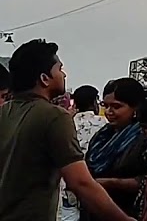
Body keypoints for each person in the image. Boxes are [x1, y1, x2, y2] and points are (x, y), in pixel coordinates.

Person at [0, 39, 135, 221]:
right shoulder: (54, 116)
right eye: (59, 69)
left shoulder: (4, 112)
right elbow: (80, 182)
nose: (64, 74)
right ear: (44, 79)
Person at [84, 78, 147, 220]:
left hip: (126, 212)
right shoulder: (102, 135)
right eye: (106, 106)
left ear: (136, 108)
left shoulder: (144, 137)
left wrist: (111, 183)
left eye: (116, 106)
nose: (109, 112)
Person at [61, 85, 110, 221]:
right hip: (96, 185)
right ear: (94, 102)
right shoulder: (104, 125)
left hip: (68, 187)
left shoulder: (66, 123)